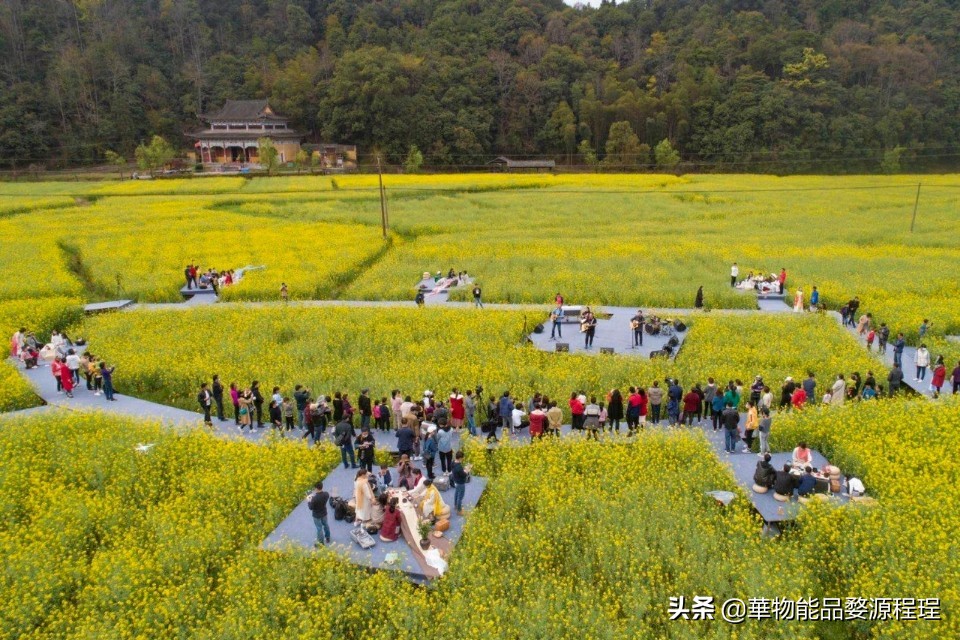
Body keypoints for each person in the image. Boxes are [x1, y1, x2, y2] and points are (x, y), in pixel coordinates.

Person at [452, 451, 468, 515]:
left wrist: (462, 470)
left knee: (456, 493)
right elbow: (463, 475)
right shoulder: (459, 467)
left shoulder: (453, 462)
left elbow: (457, 471)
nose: (463, 459)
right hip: (460, 482)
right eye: (462, 458)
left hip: (455, 480)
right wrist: (466, 471)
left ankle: (455, 505)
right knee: (460, 496)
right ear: (460, 458)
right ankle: (459, 510)